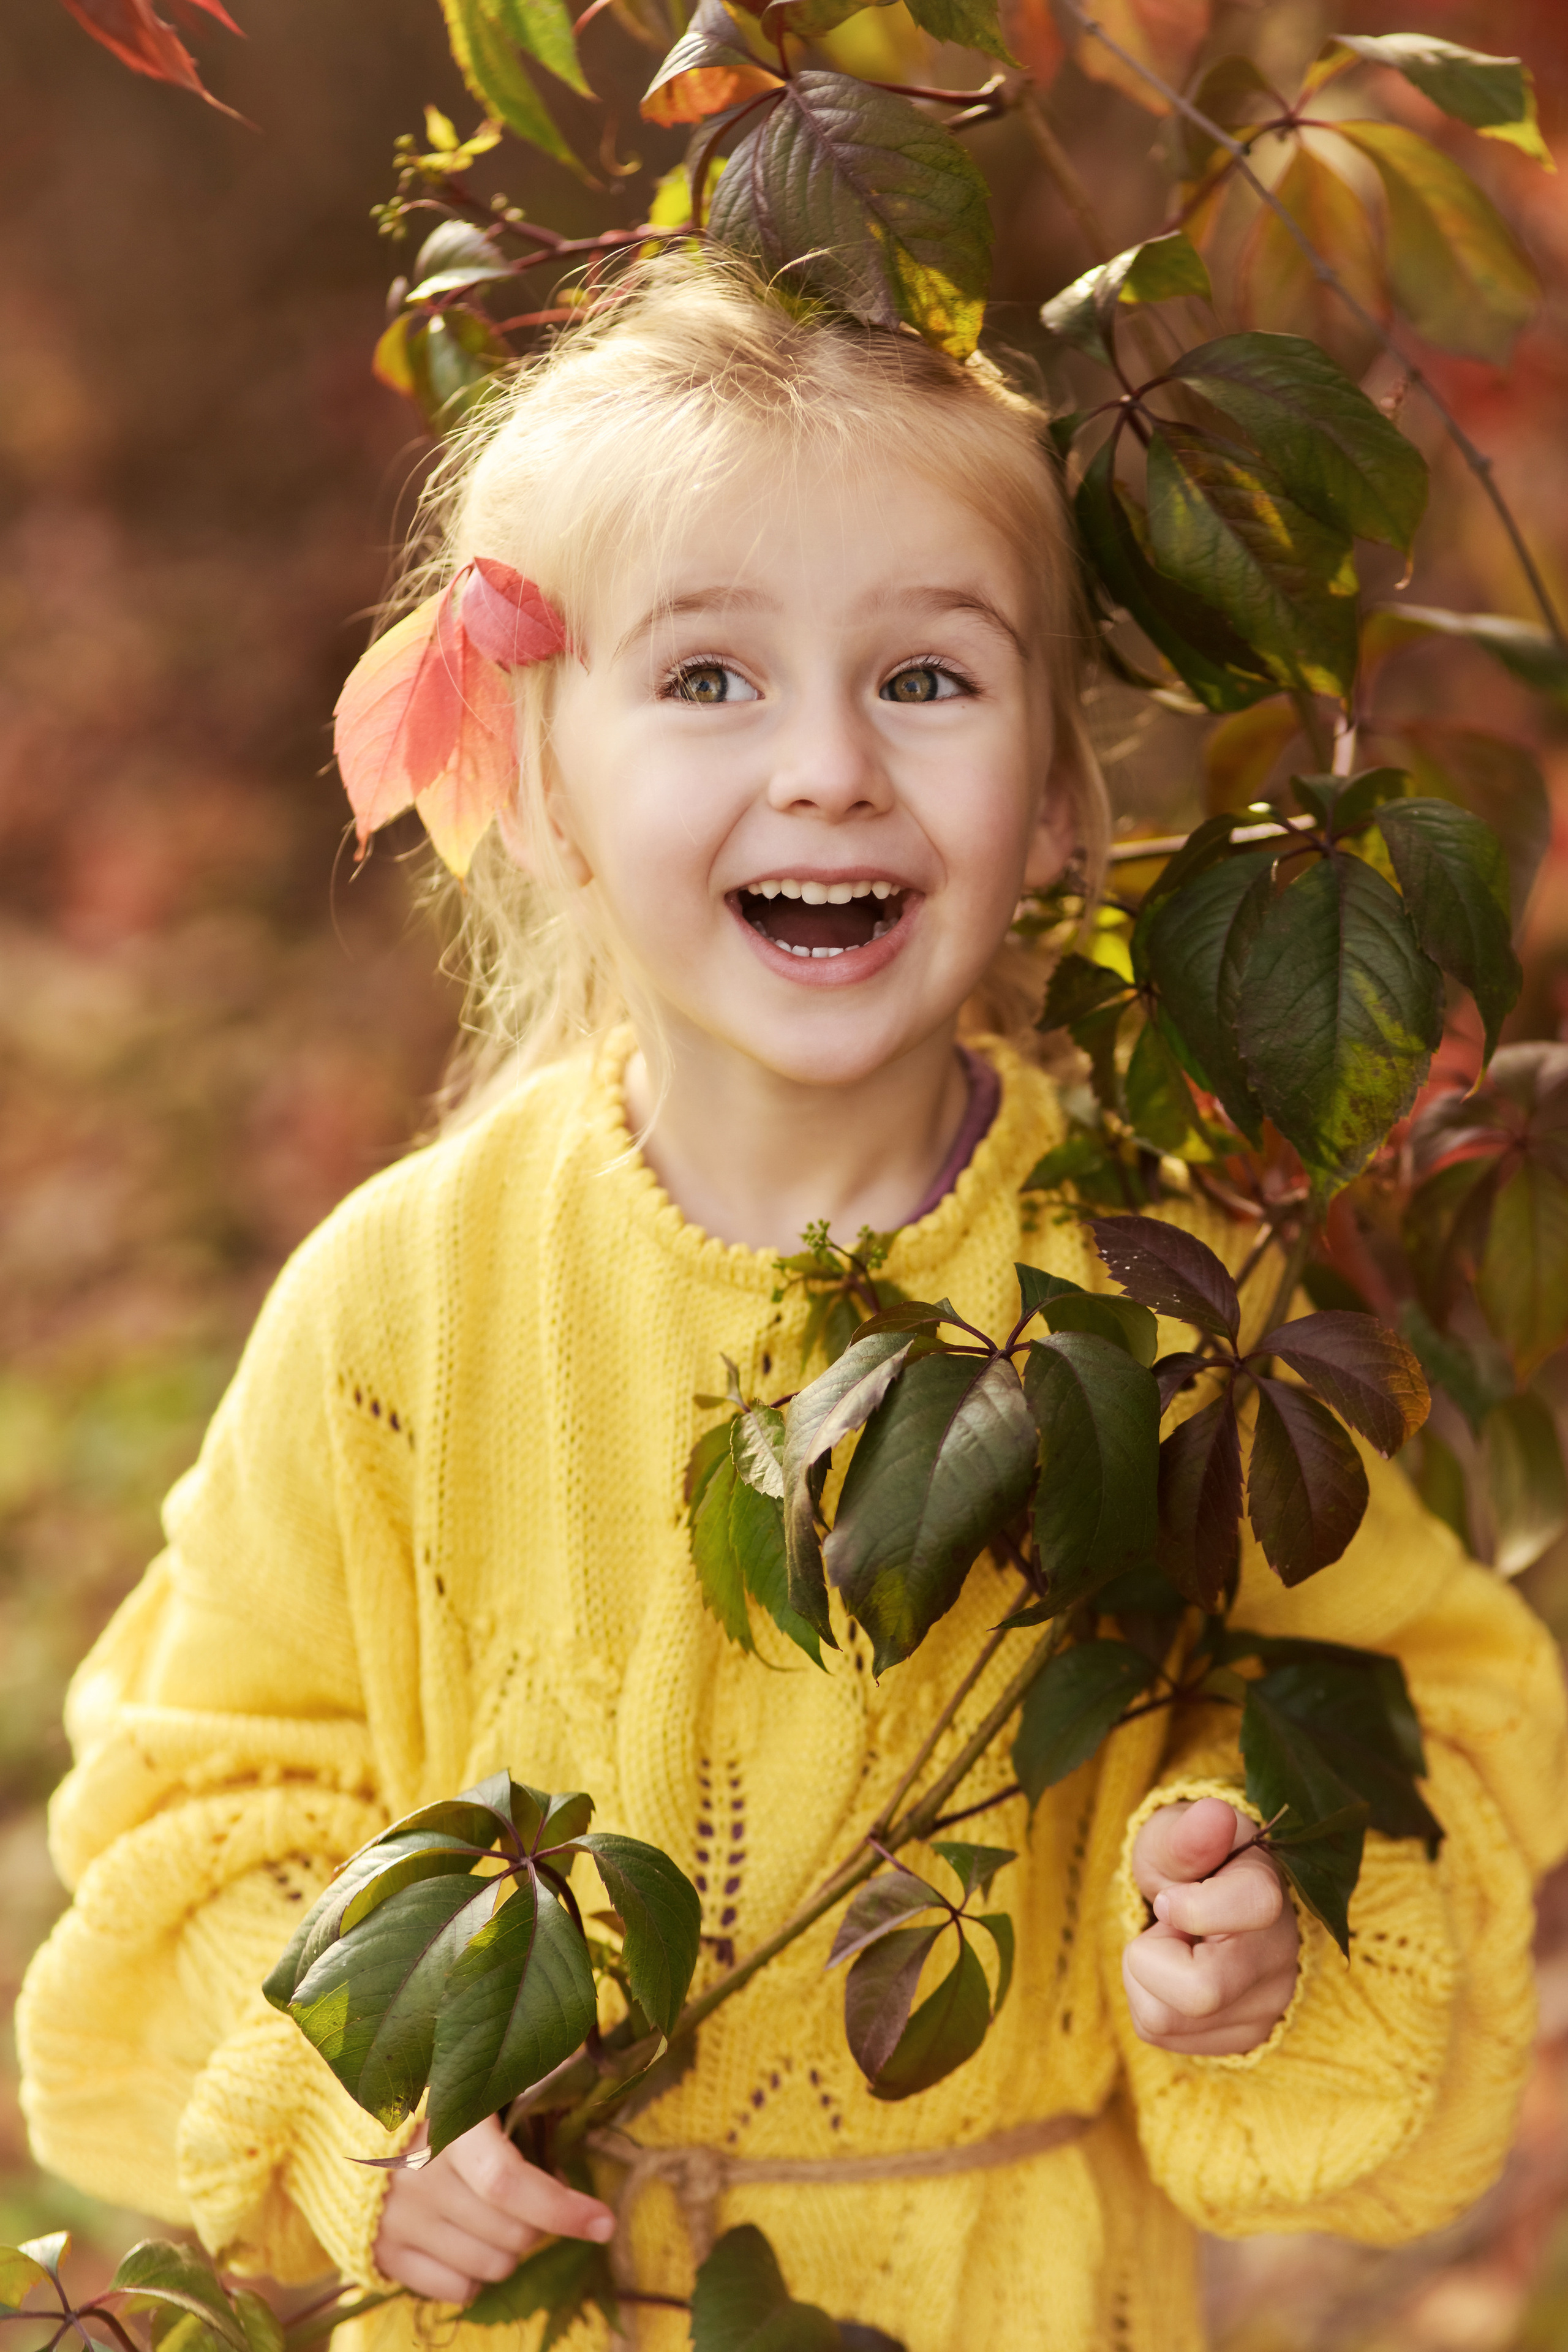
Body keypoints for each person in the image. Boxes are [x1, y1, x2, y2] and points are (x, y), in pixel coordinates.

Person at [17, 262, 1568, 2352]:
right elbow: (194, 1800)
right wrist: (371, 2080)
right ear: (544, 788)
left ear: (1056, 807)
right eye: (711, 680)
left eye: (926, 680)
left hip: (1010, 2302)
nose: (831, 765)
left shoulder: (1165, 1295)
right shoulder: (406, 1306)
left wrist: (1259, 1889)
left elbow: (1433, 1700)